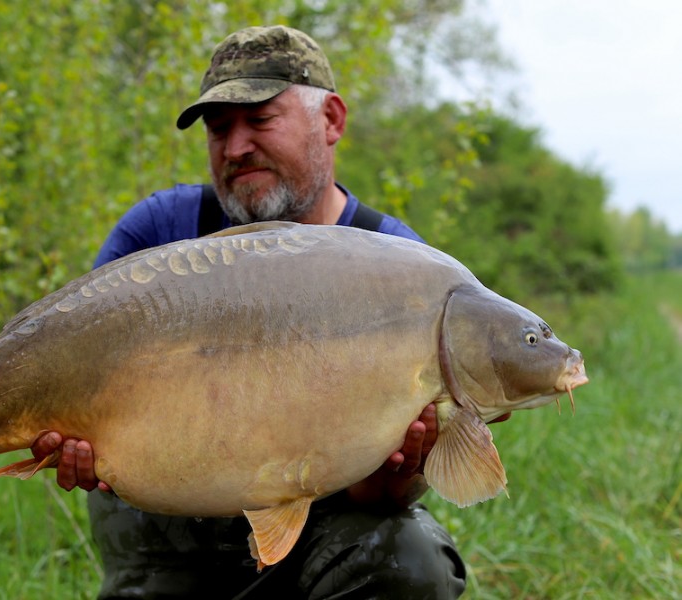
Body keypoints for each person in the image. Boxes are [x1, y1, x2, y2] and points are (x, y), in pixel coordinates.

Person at [32, 25, 489, 599]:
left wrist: (400, 468)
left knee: (409, 562)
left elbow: (383, 497)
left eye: (260, 120)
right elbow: (72, 376)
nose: (236, 146)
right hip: (171, 519)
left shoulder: (408, 269)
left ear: (331, 121)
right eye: (219, 130)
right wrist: (67, 437)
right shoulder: (158, 234)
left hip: (323, 520)